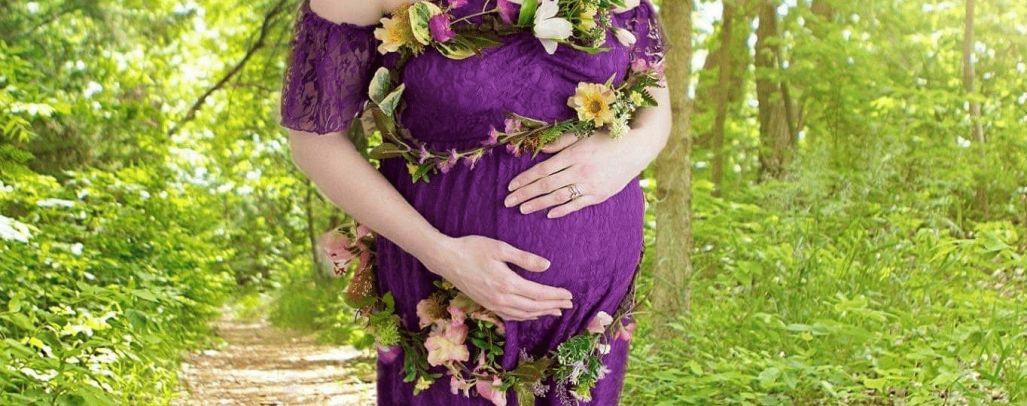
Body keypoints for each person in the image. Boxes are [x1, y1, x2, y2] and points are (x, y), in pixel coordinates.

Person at [280, 0, 671, 404]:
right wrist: (441, 253)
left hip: (587, 326)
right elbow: (314, 142)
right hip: (444, 300)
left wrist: (629, 152)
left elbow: (655, 106)